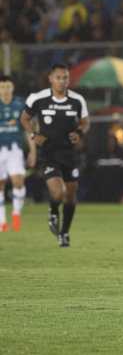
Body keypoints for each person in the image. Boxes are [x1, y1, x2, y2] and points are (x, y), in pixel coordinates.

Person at [20, 64, 90, 248]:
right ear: (50, 78)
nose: (62, 81)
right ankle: (52, 212)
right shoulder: (38, 98)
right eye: (58, 77)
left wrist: (80, 132)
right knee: (58, 192)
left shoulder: (77, 100)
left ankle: (64, 233)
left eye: (65, 78)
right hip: (49, 153)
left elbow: (85, 121)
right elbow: (24, 118)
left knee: (71, 194)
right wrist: (35, 135)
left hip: (69, 154)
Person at [0, 76, 35, 231]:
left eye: (8, 87)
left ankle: (16, 213)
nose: (5, 90)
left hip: (15, 150)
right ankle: (2, 221)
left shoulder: (20, 105)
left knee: (18, 182)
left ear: (12, 88)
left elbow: (29, 130)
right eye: (2, 87)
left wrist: (33, 151)